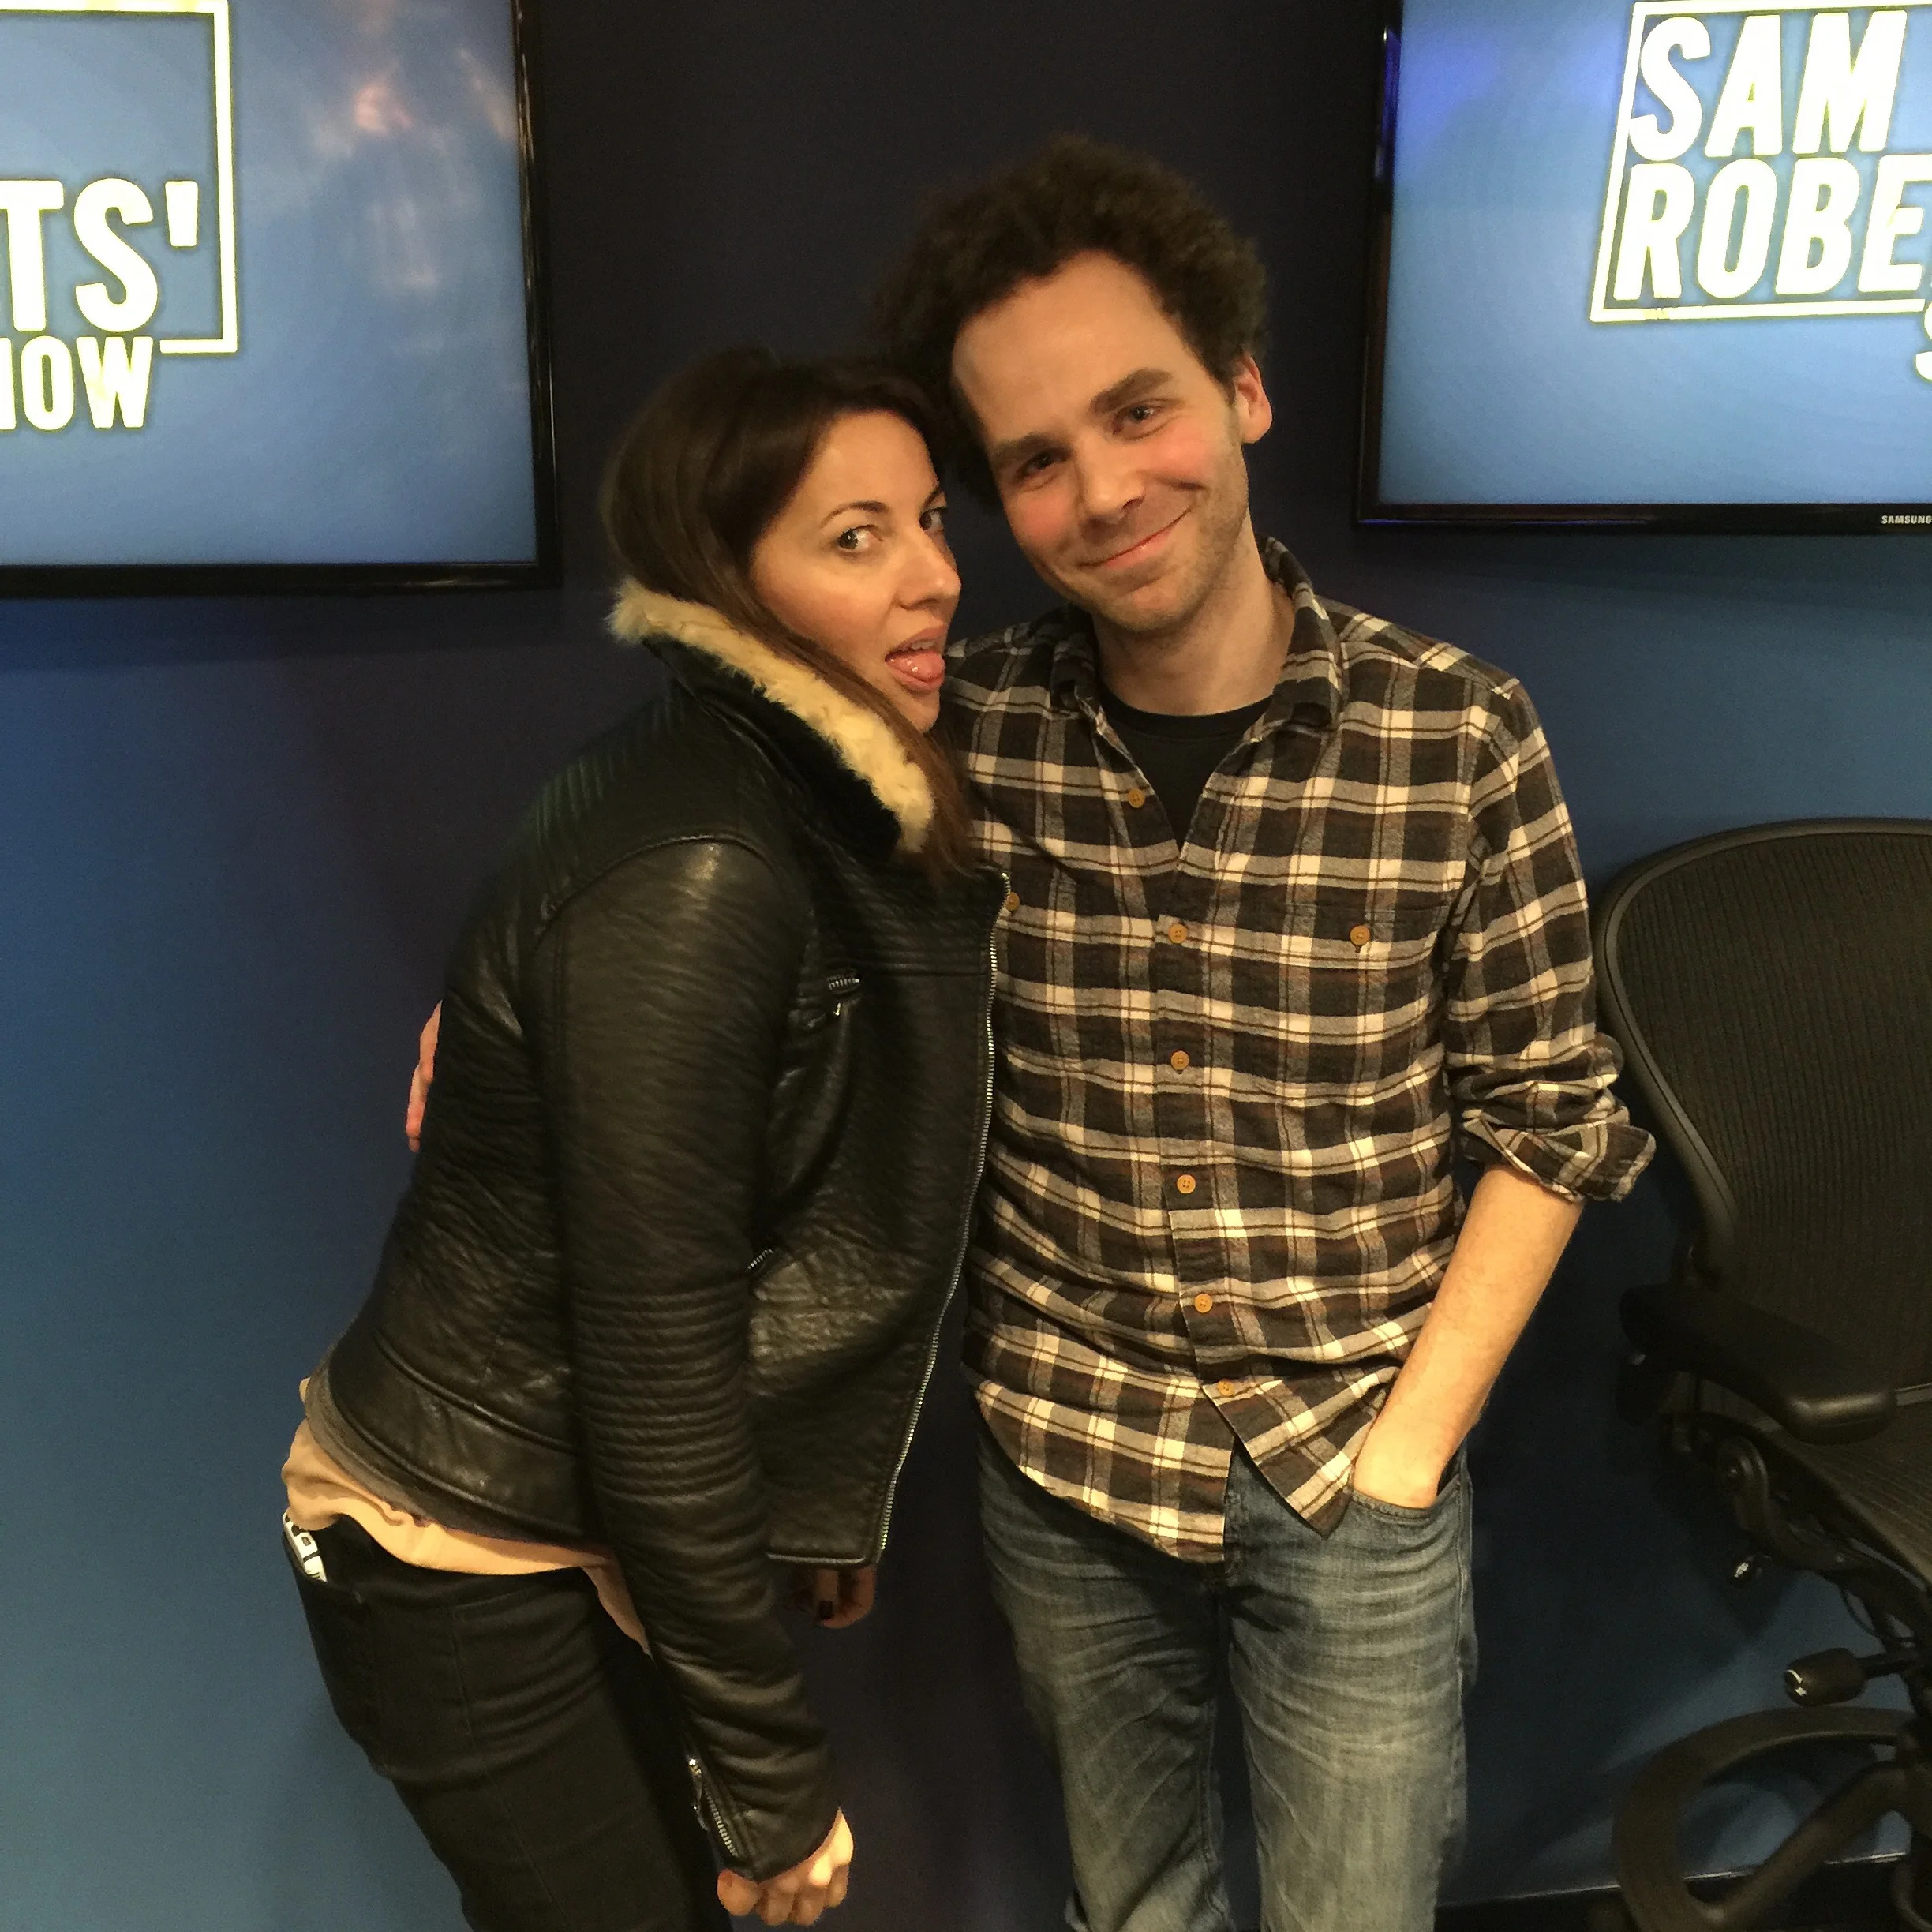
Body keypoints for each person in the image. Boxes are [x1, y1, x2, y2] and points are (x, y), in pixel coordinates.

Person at [863, 137, 1657, 1931]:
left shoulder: (1457, 734)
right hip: (1066, 1449)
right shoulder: (956, 735)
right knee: (1132, 1908)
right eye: (1036, 461)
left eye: (1138, 410)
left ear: (1241, 389)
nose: (1102, 492)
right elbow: (721, 827)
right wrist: (523, 984)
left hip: (1355, 1459)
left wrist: (1409, 1453)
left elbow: (1554, 1116)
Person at [283, 348, 1005, 1932]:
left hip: (571, 1518)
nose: (937, 575)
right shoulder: (701, 863)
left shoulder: (810, 789)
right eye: (858, 537)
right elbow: (655, 1363)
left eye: (932, 520)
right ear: (723, 576)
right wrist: (770, 1780)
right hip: (471, 1548)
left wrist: (809, 1496)